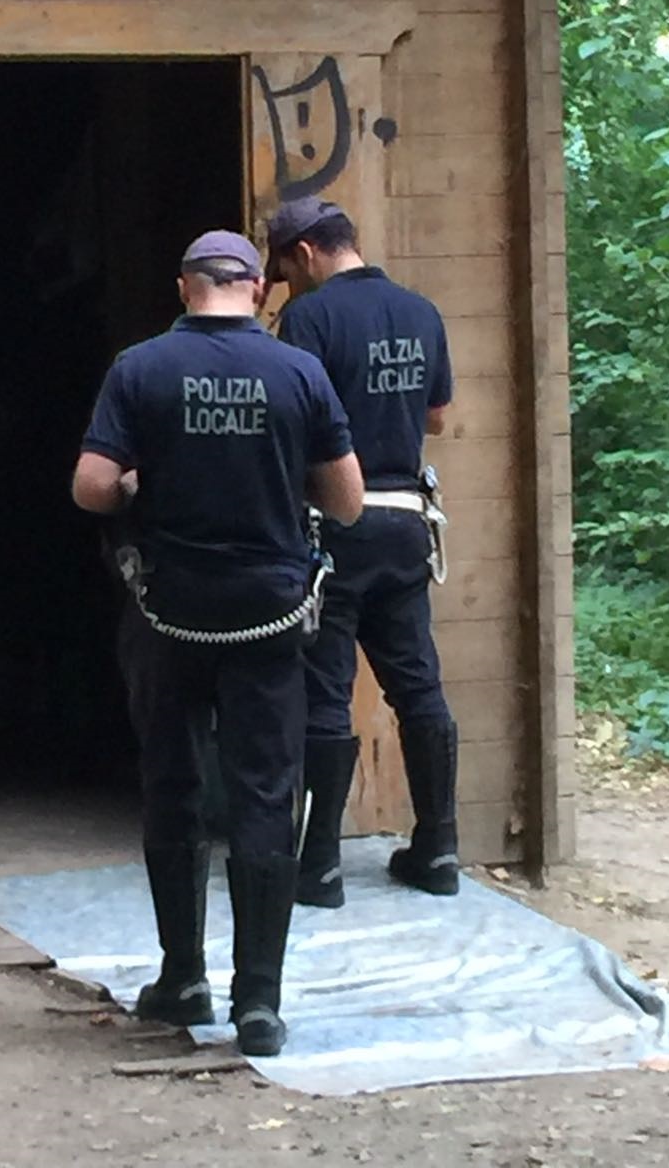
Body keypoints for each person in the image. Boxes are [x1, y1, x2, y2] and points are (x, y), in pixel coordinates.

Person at [72, 231, 363, 1058]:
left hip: (170, 610)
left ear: (184, 287)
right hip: (268, 614)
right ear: (258, 289)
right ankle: (259, 1004)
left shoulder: (140, 368)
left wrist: (138, 481)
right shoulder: (298, 372)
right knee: (265, 795)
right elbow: (345, 502)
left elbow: (91, 487)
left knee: (173, 786)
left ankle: (182, 979)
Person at [266, 198, 458, 906]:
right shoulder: (421, 312)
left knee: (326, 692)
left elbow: (292, 419)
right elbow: (437, 415)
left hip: (334, 527)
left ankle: (318, 865)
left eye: (285, 272)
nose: (286, 286)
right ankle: (439, 850)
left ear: (305, 253)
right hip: (406, 523)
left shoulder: (309, 319)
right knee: (419, 686)